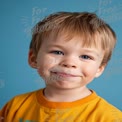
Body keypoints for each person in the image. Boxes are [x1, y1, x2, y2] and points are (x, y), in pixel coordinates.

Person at [0, 11, 122, 122]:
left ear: (100, 68)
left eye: (85, 56)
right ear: (33, 58)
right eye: (57, 52)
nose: (69, 63)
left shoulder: (109, 117)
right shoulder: (15, 106)